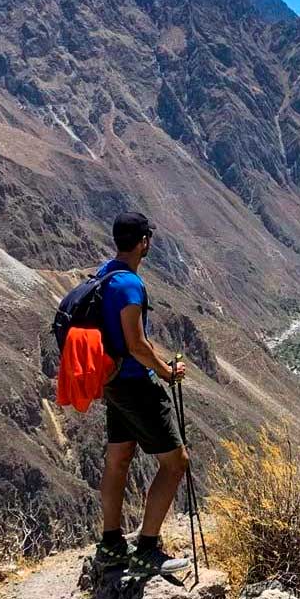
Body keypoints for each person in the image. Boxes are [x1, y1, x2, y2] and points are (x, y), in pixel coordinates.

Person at [94, 211, 191, 576]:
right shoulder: (130, 285)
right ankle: (147, 548)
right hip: (135, 384)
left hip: (112, 383)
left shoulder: (105, 273)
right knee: (175, 462)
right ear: (143, 243)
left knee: (118, 458)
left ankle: (111, 543)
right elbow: (137, 344)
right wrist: (167, 372)